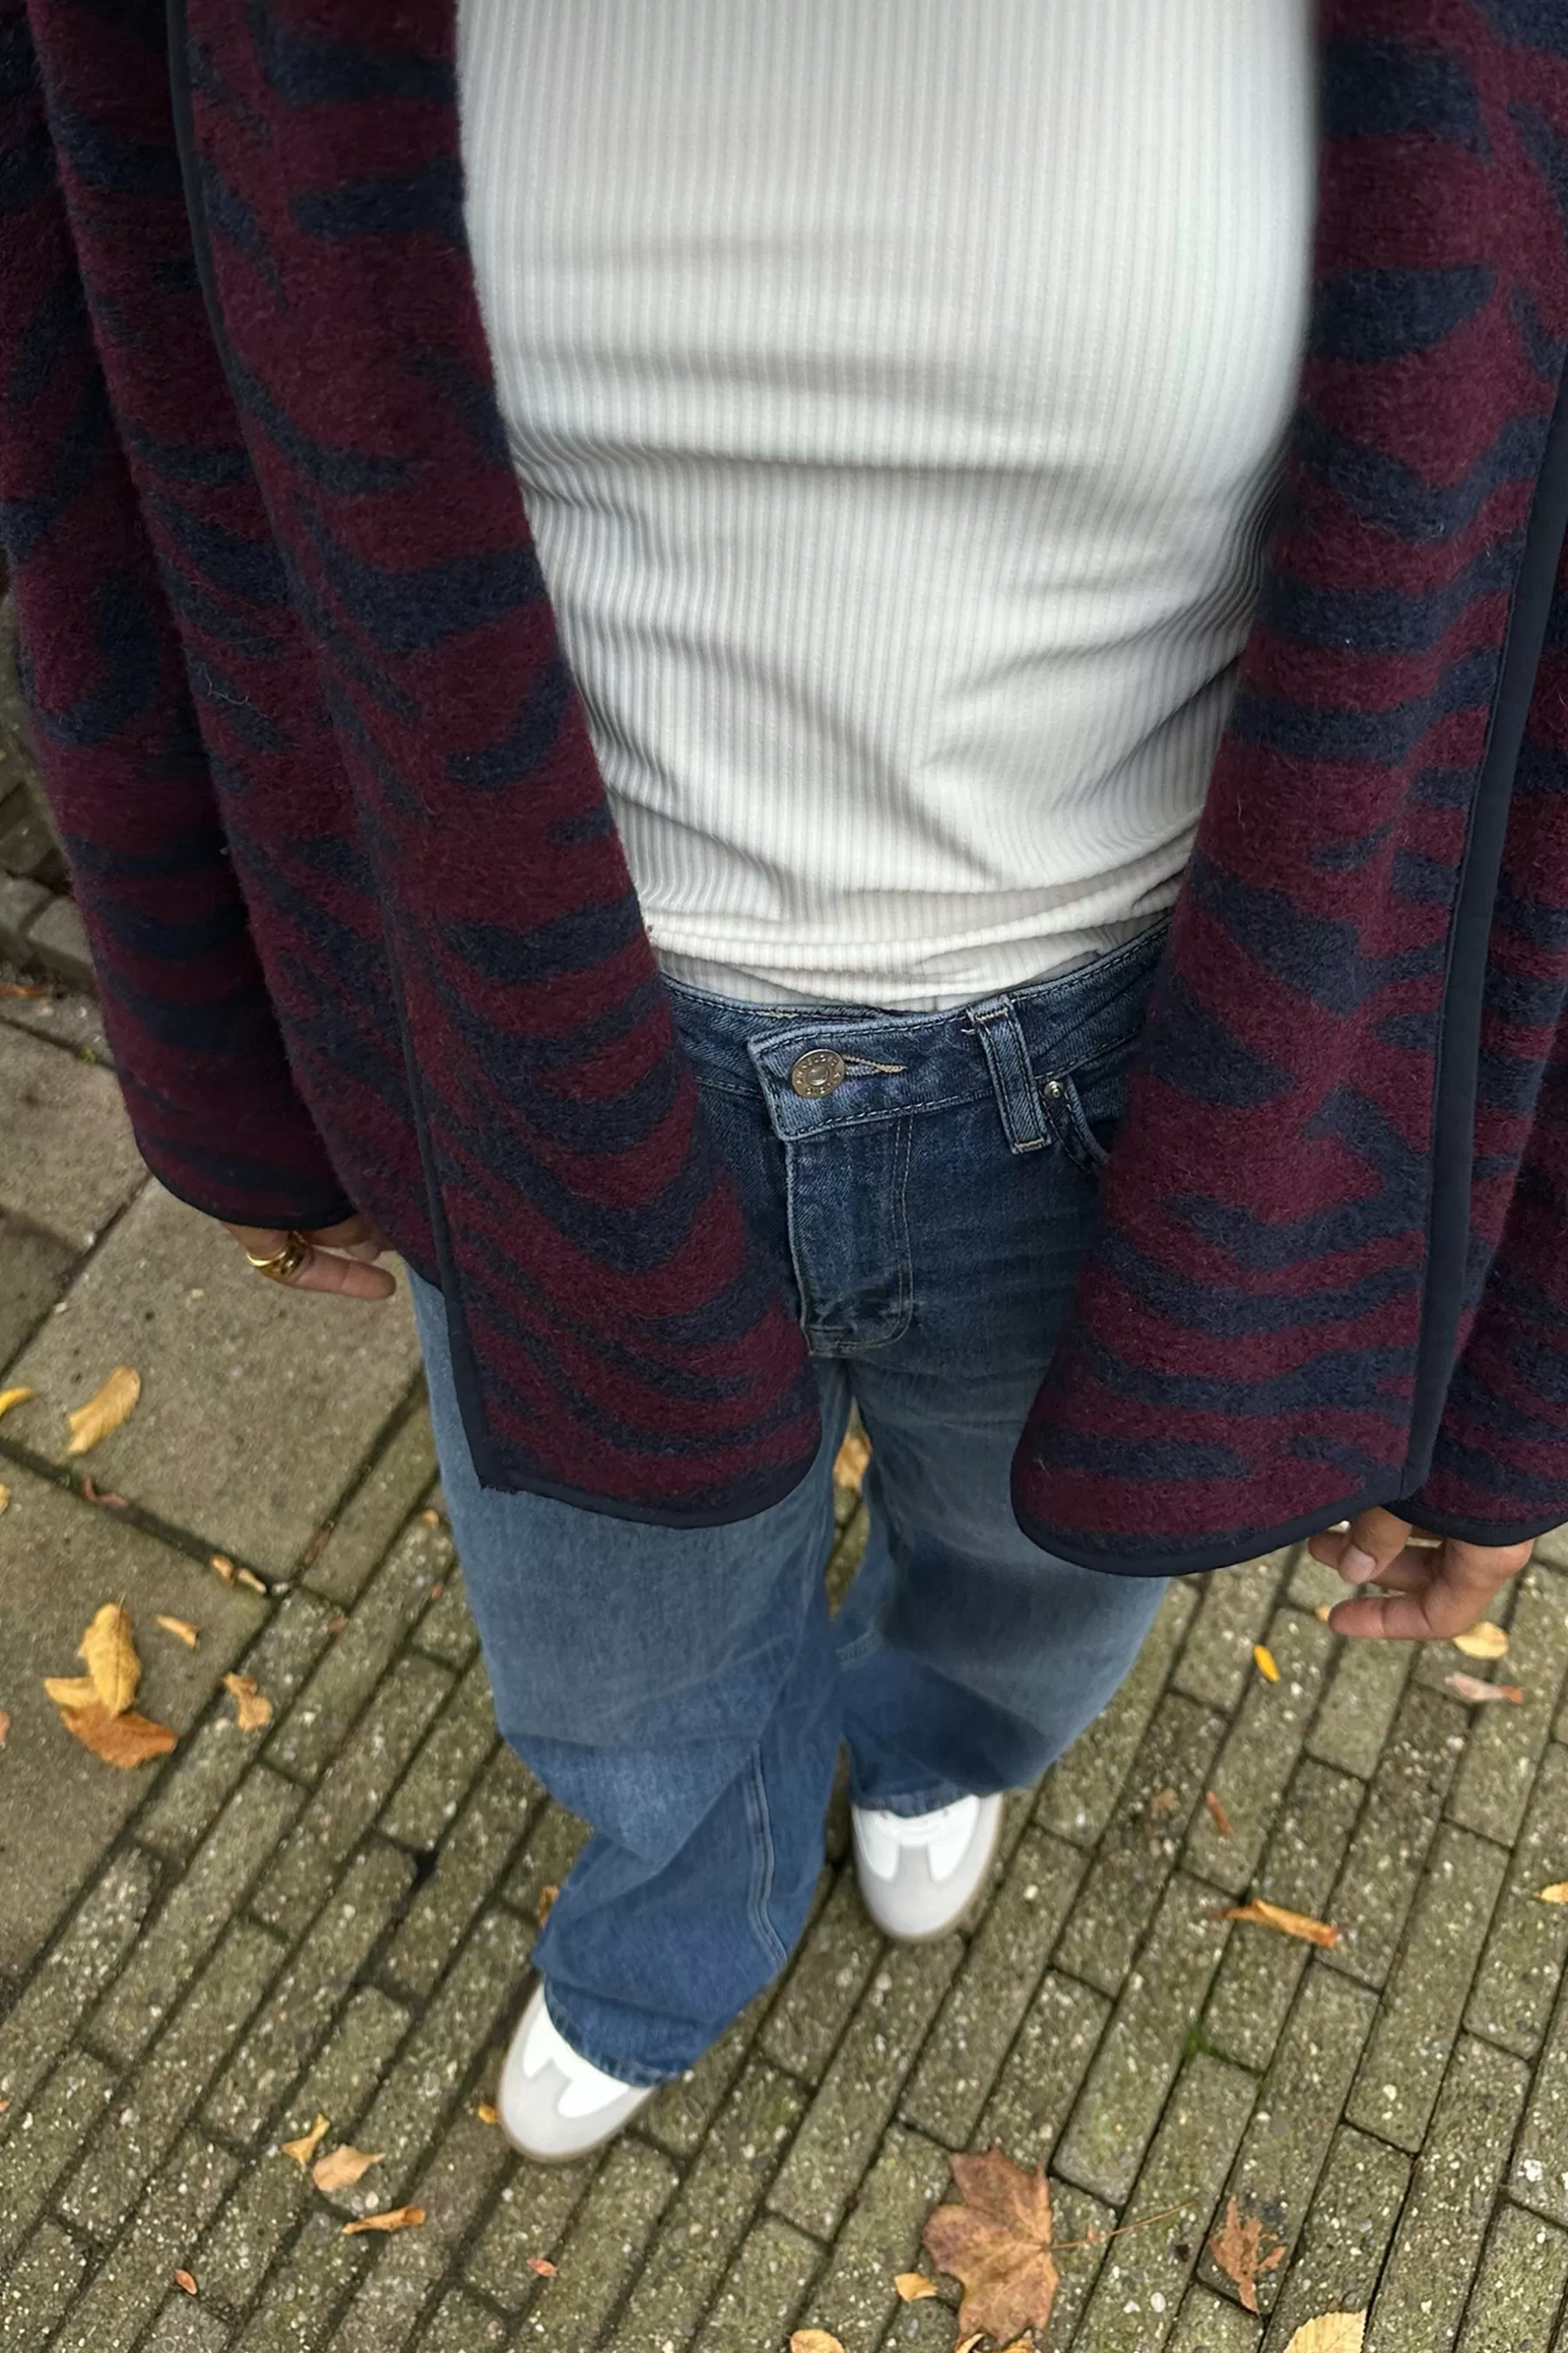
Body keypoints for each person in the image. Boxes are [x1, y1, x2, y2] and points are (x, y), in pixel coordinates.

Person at [3, 0, 1563, 2163]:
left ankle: (939, 1746)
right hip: (540, 1065)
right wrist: (233, 1081)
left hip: (1144, 1089)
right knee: (613, 1661)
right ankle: (690, 1909)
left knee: (1032, 1576)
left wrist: (1511, 1389)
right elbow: (103, 474)